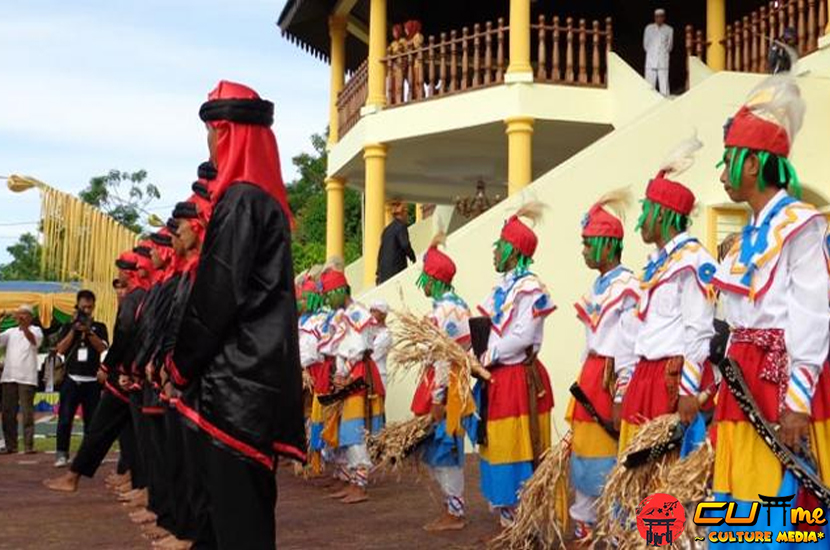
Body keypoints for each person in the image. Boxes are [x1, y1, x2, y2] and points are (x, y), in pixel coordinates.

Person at [171, 81, 305, 550]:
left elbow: (216, 297)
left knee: (237, 523)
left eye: (213, 132)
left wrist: (179, 365)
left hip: (236, 388)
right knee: (224, 520)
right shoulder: (260, 201)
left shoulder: (242, 201)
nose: (209, 142)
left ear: (227, 134)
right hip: (249, 383)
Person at [711, 74, 830, 538]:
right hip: (743, 376)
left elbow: (813, 312)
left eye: (728, 162)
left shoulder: (801, 226)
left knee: (784, 501)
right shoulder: (747, 236)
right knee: (743, 494)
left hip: (781, 381)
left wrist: (798, 400)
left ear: (754, 164)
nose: (722, 174)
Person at [620, 137, 717, 449]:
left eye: (646, 210)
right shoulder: (655, 265)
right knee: (635, 481)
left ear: (661, 214)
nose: (640, 221)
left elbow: (699, 329)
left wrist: (688, 389)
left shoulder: (692, 260)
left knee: (668, 479)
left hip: (671, 380)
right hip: (645, 377)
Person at [476, 202, 556, 527]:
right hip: (496, 379)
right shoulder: (500, 288)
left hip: (517, 380)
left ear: (513, 249)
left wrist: (488, 355)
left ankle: (525, 526)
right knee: (498, 449)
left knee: (519, 451)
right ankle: (509, 524)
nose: (494, 251)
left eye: (499, 245)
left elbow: (523, 336)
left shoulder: (530, 288)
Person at [568, 191, 641, 540]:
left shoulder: (627, 287)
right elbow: (590, 344)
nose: (582, 250)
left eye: (587, 243)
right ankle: (585, 527)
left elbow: (629, 347)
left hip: (612, 382)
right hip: (591, 380)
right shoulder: (598, 287)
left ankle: (615, 533)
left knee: (608, 460)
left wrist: (620, 395)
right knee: (583, 455)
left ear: (607, 244)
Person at [44, 252, 148, 492]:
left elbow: (123, 340)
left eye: (122, 275)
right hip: (125, 374)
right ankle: (134, 478)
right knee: (129, 431)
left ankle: (77, 477)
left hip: (125, 376)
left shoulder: (136, 299)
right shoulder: (143, 297)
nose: (119, 286)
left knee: (106, 428)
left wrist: (107, 365)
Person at [411, 233, 476, 531]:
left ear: (433, 277)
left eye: (424, 276)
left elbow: (441, 356)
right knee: (441, 446)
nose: (422, 283)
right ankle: (453, 507)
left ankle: (455, 512)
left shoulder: (443, 311)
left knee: (444, 446)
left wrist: (438, 396)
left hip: (445, 383)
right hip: (453, 380)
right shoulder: (459, 305)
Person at [317, 266, 384, 504]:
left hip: (357, 377)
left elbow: (354, 348)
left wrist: (344, 372)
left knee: (354, 432)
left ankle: (360, 484)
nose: (326, 298)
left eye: (329, 293)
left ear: (341, 290)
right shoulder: (346, 314)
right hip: (350, 375)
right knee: (347, 430)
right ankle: (352, 480)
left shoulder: (357, 314)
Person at [54, 290, 109, 467]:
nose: (86, 310)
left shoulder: (99, 327)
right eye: (83, 307)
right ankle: (62, 453)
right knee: (65, 418)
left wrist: (88, 331)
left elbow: (102, 349)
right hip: (71, 379)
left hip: (92, 381)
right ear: (77, 306)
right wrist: (74, 330)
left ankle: (89, 455)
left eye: (89, 307)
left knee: (92, 421)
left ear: (93, 307)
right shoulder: (67, 326)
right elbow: (60, 350)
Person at [0, 305, 44, 454]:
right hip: (8, 377)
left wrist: (25, 328)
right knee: (8, 413)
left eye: (24, 315)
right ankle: (10, 445)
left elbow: (34, 342)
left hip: (27, 378)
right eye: (19, 315)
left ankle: (28, 446)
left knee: (27, 413)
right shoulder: (10, 332)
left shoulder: (36, 330)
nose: (21, 317)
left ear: (30, 317)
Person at [376, 201, 416, 284]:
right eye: (406, 212)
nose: (407, 216)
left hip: (383, 274)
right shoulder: (401, 226)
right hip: (396, 271)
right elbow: (405, 245)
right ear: (403, 213)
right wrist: (413, 257)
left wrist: (378, 272)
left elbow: (381, 252)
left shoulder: (386, 230)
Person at [643, 8, 673, 96]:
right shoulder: (648, 28)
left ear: (664, 17)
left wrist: (662, 54)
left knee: (664, 86)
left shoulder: (669, 29)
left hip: (662, 60)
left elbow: (670, 46)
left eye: (661, 16)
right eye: (657, 17)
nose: (659, 18)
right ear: (654, 17)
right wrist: (652, 54)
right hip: (651, 60)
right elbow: (645, 45)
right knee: (649, 86)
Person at [369, 299, 392, 389]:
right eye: (370, 311)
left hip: (379, 375)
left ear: (383, 315)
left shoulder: (386, 334)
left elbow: (372, 354)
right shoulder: (369, 330)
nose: (371, 314)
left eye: (374, 311)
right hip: (368, 374)